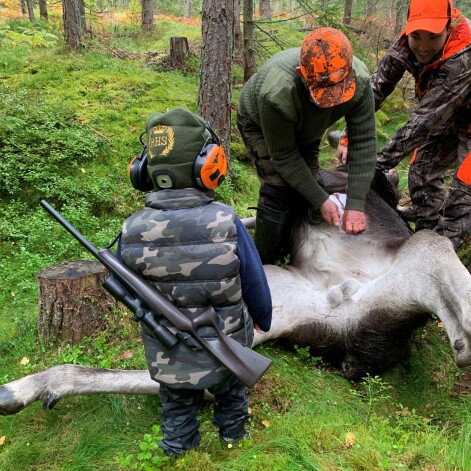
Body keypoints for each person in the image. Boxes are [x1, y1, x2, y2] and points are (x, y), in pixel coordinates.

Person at [119, 107, 272, 455]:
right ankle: (233, 438)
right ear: (208, 167)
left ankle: (178, 447)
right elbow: (254, 280)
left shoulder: (130, 228)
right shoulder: (226, 220)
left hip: (168, 350)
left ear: (144, 171)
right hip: (228, 343)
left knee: (176, 402)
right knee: (232, 392)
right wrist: (263, 318)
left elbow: (129, 290)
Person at [337, 0, 471, 250]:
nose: (422, 46)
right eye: (416, 36)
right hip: (449, 114)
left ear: (449, 28)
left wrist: (373, 166)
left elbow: (423, 122)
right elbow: (377, 86)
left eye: (432, 37)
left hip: (450, 114)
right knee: (421, 172)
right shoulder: (404, 43)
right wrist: (348, 136)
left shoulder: (463, 54)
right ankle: (426, 234)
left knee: (463, 197)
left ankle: (442, 261)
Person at [237, 27, 377, 264]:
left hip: (309, 126)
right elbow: (283, 157)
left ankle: (294, 249)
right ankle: (264, 262)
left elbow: (364, 144)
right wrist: (321, 200)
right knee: (279, 186)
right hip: (260, 124)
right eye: (323, 96)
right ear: (301, 74)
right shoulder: (277, 92)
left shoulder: (360, 82)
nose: (330, 103)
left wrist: (355, 203)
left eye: (338, 94)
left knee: (309, 185)